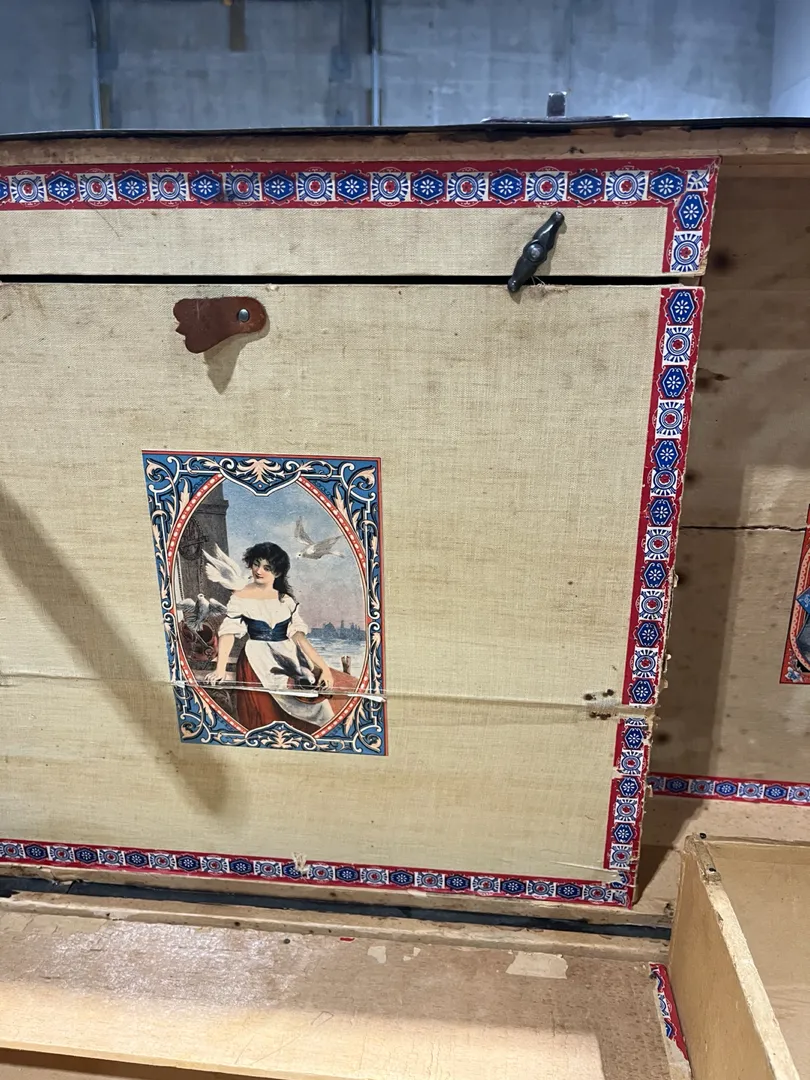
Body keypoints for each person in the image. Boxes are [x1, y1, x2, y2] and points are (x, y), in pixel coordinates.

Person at [205, 542, 354, 733]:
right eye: (256, 564)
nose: (259, 571)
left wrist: (324, 668)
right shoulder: (240, 597)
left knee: (316, 704)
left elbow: (300, 639)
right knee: (266, 714)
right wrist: (220, 669)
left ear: (277, 572)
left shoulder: (286, 600)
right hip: (257, 660)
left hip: (289, 656)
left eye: (267, 568)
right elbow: (228, 633)